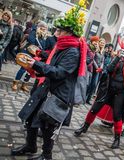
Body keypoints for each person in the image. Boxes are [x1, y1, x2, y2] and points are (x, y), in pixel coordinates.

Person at [10, 2, 87, 159]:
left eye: (60, 30)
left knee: (47, 126)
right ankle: (30, 146)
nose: (56, 32)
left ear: (69, 33)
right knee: (31, 117)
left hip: (58, 93)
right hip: (48, 87)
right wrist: (39, 55)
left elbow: (60, 72)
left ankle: (47, 155)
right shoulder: (62, 46)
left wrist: (36, 64)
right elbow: (53, 60)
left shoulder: (72, 51)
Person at [74, 43, 124, 149]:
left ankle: (117, 139)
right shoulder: (118, 60)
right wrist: (118, 57)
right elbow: (108, 70)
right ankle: (84, 127)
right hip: (108, 90)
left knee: (117, 116)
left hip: (121, 93)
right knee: (94, 109)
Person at [12, 21, 48, 92]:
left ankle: (24, 84)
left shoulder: (43, 36)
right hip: (28, 53)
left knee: (30, 71)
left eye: (45, 29)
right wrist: (37, 36)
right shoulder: (33, 31)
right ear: (39, 27)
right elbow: (31, 40)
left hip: (35, 55)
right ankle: (15, 82)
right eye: (42, 28)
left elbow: (43, 46)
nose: (43, 30)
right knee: (23, 68)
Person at [0, 10, 13, 75]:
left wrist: (3, 46)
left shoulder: (9, 26)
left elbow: (8, 38)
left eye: (8, 16)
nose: (6, 16)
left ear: (9, 18)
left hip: (1, 45)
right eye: (5, 15)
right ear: (3, 15)